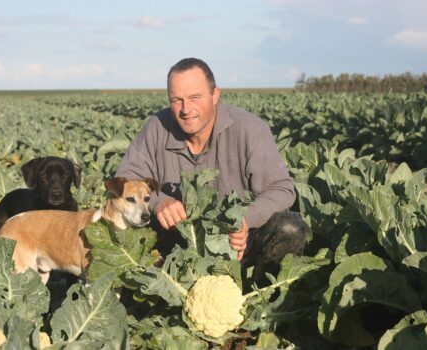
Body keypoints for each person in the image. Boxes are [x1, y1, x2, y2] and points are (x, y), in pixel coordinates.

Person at [116, 57, 308, 282]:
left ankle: (265, 301)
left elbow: (282, 188)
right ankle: (145, 299)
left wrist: (247, 219)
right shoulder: (157, 127)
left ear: (215, 94)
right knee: (118, 220)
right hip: (176, 247)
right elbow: (126, 179)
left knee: (290, 228)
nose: (186, 109)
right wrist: (158, 201)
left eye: (195, 97)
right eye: (177, 100)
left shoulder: (250, 129)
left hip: (237, 246)